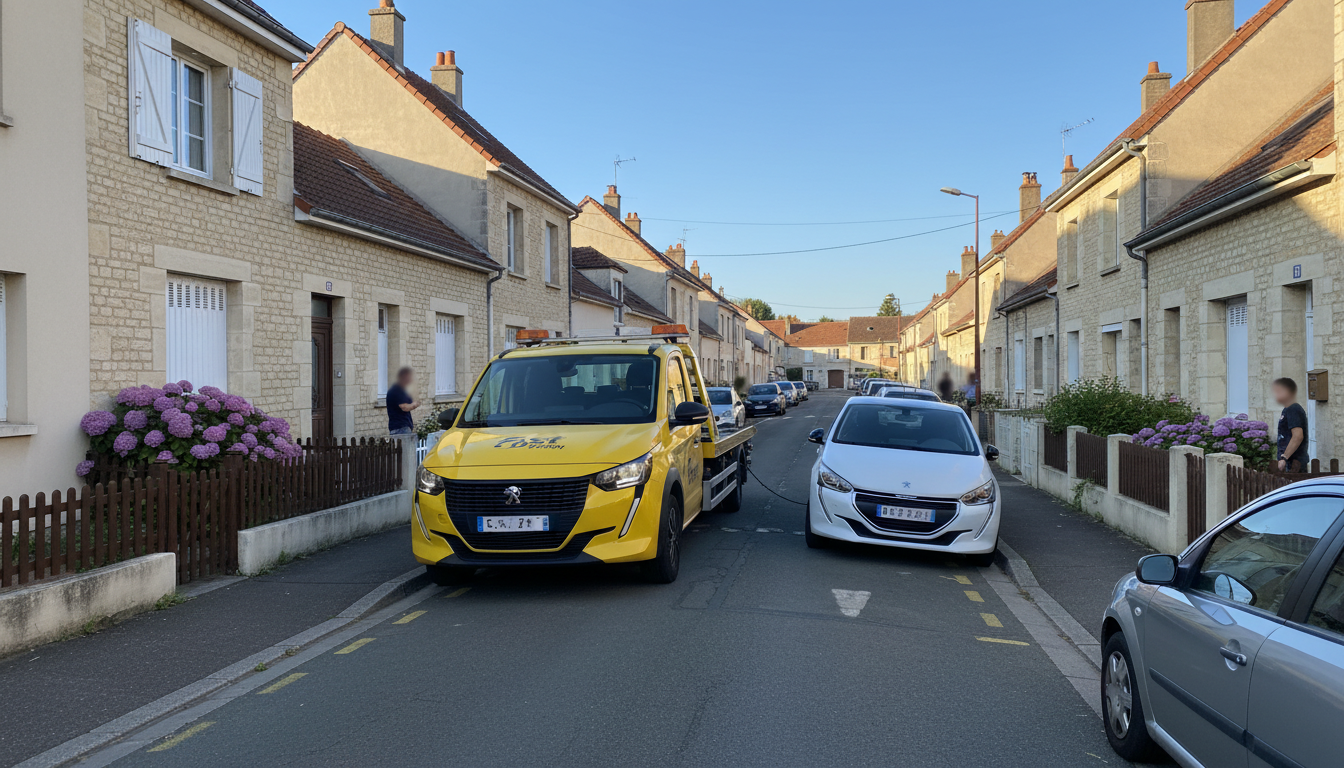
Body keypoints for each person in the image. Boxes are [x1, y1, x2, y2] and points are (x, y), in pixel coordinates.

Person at [1273, 377, 1309, 472]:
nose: (1276, 395)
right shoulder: (1288, 409)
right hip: (1289, 464)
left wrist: (1284, 458)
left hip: (1294, 465)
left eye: (1279, 391)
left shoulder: (1294, 409)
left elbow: (1298, 436)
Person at [386, 367, 420, 436]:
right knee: (405, 447)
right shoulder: (397, 390)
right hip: (400, 428)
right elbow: (405, 407)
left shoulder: (402, 390)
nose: (411, 379)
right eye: (409, 377)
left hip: (401, 427)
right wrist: (415, 404)